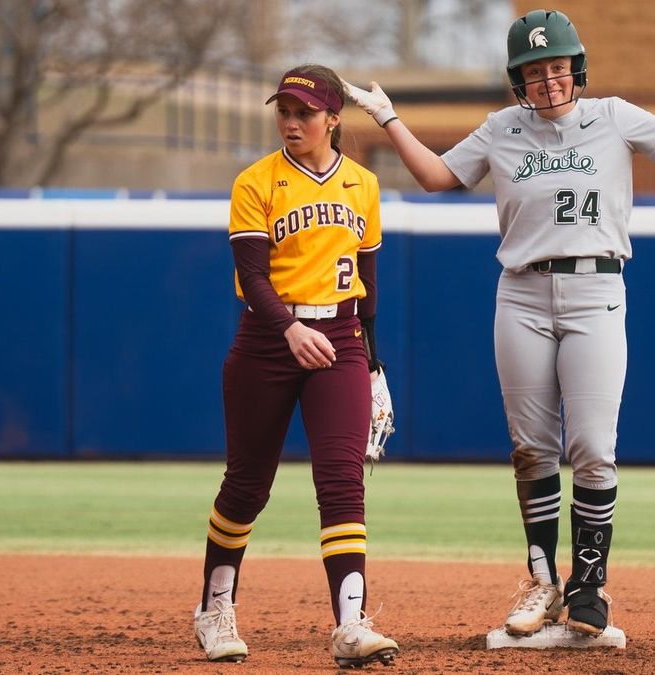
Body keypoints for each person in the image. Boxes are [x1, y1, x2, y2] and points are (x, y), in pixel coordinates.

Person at [345, 9, 655, 638]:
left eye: (557, 67)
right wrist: (389, 118)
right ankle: (542, 581)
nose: (548, 79)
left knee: (594, 448)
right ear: (517, 80)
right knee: (531, 448)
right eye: (534, 70)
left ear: (576, 69)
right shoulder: (501, 129)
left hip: (596, 289)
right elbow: (438, 176)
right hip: (521, 294)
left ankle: (589, 585)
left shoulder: (612, 116)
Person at [192, 64, 399, 668]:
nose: (291, 121)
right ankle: (215, 609)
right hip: (267, 339)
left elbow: (369, 282)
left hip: (340, 338)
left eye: (305, 112)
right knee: (247, 485)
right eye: (284, 110)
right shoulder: (256, 182)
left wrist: (373, 361)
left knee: (342, 481)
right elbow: (253, 276)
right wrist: (288, 328)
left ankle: (351, 624)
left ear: (333, 118)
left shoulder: (362, 183)